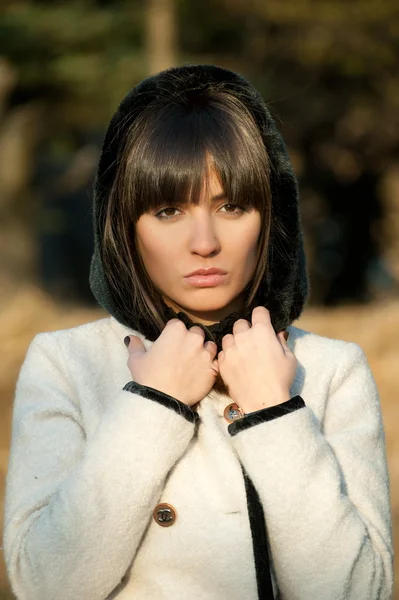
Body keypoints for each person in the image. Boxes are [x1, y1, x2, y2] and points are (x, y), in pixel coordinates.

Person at [3, 65, 393, 600]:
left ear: (270, 216)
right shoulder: (66, 363)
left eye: (232, 206)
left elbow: (359, 592)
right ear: (124, 226)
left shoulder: (330, 370)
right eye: (168, 210)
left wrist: (273, 412)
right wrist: (154, 402)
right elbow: (43, 585)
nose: (204, 242)